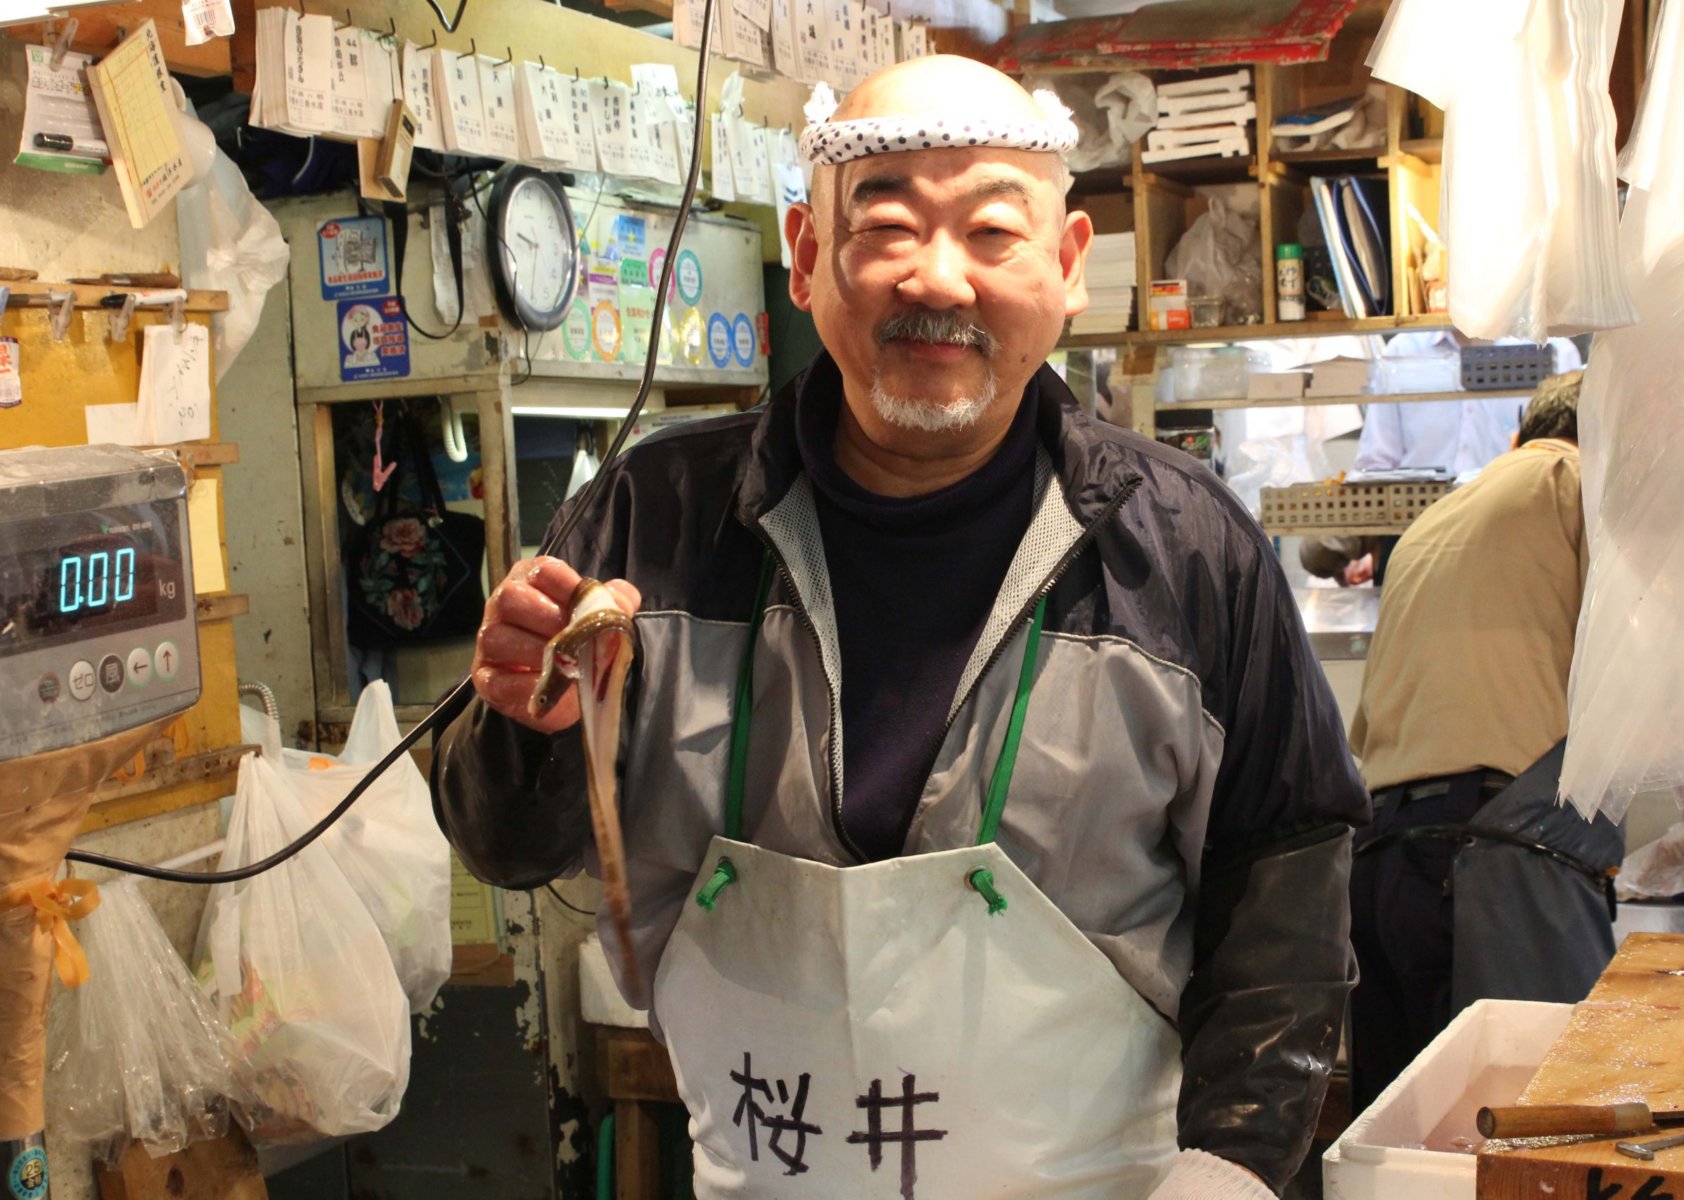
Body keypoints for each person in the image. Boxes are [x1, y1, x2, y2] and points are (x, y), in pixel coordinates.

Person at [432, 56, 1368, 1199]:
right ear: (809, 255)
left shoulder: (1187, 552)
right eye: (887, 226)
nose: (941, 278)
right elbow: (506, 848)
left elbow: (1286, 881)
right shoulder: (645, 522)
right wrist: (521, 728)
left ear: (1068, 266)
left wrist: (1230, 1170)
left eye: (990, 232)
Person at [1345, 371, 1684, 1112]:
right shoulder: (1585, 481)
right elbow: (1659, 634)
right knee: (1543, 1140)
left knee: (1412, 1150)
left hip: (1379, 872)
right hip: (1502, 866)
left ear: (1518, 436)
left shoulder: (1437, 520)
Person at [1300, 332, 1582, 586]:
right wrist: (1355, 536)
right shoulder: (1402, 351)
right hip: (1414, 545)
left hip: (1514, 547)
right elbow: (1376, 466)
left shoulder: (1552, 349)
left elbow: (1568, 473)